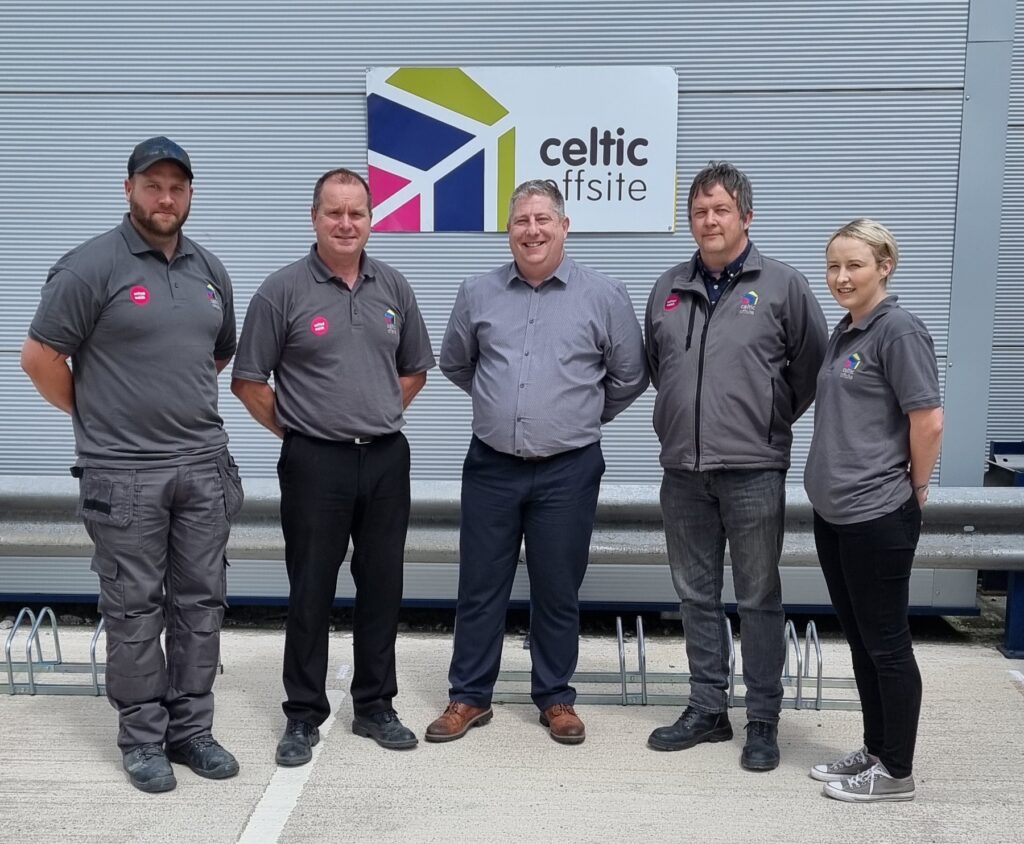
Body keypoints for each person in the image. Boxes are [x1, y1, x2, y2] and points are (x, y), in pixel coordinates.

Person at [20, 136, 243, 793]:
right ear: (129, 190)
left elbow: (215, 356)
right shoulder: (89, 267)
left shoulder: (210, 270)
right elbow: (39, 359)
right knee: (135, 608)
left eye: (177, 186)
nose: (165, 197)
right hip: (123, 475)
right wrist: (100, 420)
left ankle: (191, 731)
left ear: (191, 194)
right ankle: (143, 739)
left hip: (202, 467)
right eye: (153, 185)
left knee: (201, 604)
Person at [426, 179, 648, 746]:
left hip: (568, 469)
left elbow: (629, 376)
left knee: (557, 586)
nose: (532, 230)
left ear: (565, 227)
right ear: (509, 231)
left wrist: (576, 417)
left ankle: (555, 698)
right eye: (521, 221)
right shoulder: (477, 293)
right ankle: (470, 696)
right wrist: (507, 410)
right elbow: (457, 364)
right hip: (491, 464)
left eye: (543, 219)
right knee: (480, 583)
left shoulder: (605, 295)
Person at [231, 168, 435, 764]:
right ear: (314, 217)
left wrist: (375, 409)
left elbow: (416, 367)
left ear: (372, 220)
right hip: (313, 462)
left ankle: (375, 706)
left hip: (385, 458)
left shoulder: (393, 287)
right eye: (334, 213)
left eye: (357, 213)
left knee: (382, 586)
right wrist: (298, 428)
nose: (346, 224)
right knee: (311, 590)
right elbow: (248, 380)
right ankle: (302, 715)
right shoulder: (282, 290)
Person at [644, 161, 828, 770]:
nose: (709, 220)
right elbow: (658, 368)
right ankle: (706, 708)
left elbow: (810, 371)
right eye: (699, 211)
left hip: (753, 468)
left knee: (758, 596)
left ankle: (763, 720)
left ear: (746, 216)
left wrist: (769, 420)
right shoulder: (668, 288)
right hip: (683, 471)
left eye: (721, 209)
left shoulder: (782, 286)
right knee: (694, 593)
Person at [805, 219, 942, 802]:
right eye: (834, 266)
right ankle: (877, 748)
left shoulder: (898, 331)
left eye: (854, 265)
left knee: (887, 644)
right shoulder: (847, 330)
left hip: (877, 513)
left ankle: (898, 773)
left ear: (885, 265)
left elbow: (928, 420)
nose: (840, 277)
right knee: (861, 640)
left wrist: (913, 486)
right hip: (836, 515)